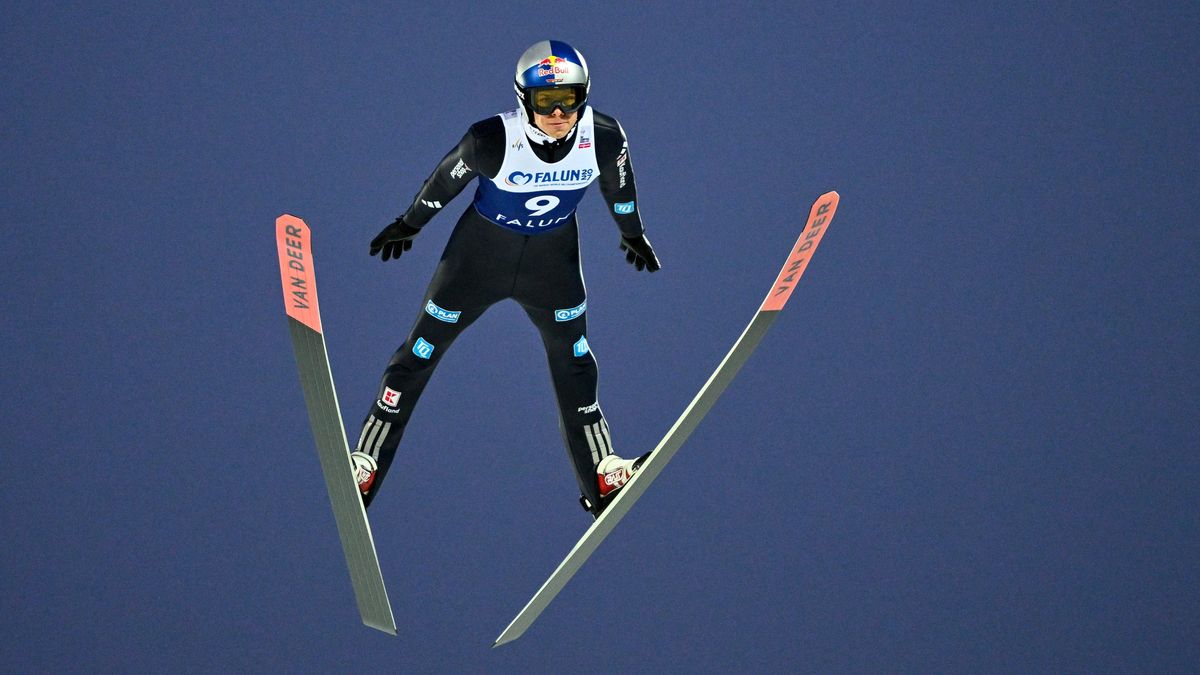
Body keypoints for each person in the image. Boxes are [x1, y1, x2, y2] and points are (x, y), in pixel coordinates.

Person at [351, 40, 660, 518]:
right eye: (545, 101)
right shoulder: (491, 139)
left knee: (575, 360)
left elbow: (619, 187)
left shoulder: (603, 137)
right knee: (419, 352)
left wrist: (633, 233)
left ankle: (601, 474)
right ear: (524, 99)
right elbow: (443, 183)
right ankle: (366, 461)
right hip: (477, 261)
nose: (559, 112)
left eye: (570, 99)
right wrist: (410, 223)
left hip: (551, 265)